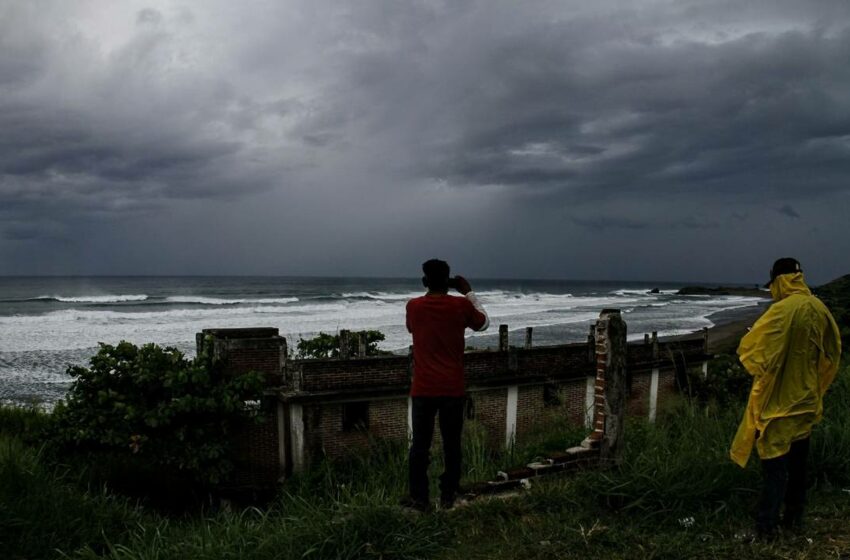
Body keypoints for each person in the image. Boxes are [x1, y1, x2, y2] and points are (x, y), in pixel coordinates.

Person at [730, 257, 842, 538]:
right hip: (806, 400)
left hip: (779, 405)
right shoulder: (819, 307)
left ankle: (766, 528)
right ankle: (794, 519)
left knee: (775, 469)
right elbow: (834, 351)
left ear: (779, 280)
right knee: (798, 467)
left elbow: (751, 353)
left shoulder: (781, 311)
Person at [403, 259, 489, 512]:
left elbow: (411, 328)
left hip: (423, 388)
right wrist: (469, 292)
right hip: (452, 388)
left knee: (420, 446)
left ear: (424, 281)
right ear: (449, 282)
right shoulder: (460, 305)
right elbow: (483, 323)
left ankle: (420, 499)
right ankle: (448, 495)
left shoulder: (414, 307)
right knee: (452, 444)